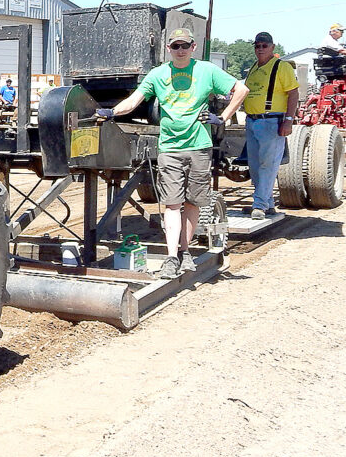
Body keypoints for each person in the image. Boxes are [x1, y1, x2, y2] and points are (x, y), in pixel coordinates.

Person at [99, 28, 248, 278]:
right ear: (168, 49)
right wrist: (112, 112)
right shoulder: (157, 75)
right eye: (176, 46)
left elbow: (240, 90)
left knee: (192, 203)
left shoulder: (207, 71)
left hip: (199, 146)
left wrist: (222, 117)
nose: (180, 50)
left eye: (185, 46)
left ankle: (186, 252)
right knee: (172, 204)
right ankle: (171, 257)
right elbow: (135, 100)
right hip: (170, 148)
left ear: (193, 48)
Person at [242, 32, 299, 220]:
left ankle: (259, 205)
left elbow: (293, 94)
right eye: (257, 46)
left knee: (268, 164)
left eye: (264, 45)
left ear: (272, 47)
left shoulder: (281, 67)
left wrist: (288, 120)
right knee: (256, 166)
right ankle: (267, 203)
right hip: (252, 121)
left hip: (271, 121)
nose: (260, 49)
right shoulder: (254, 67)